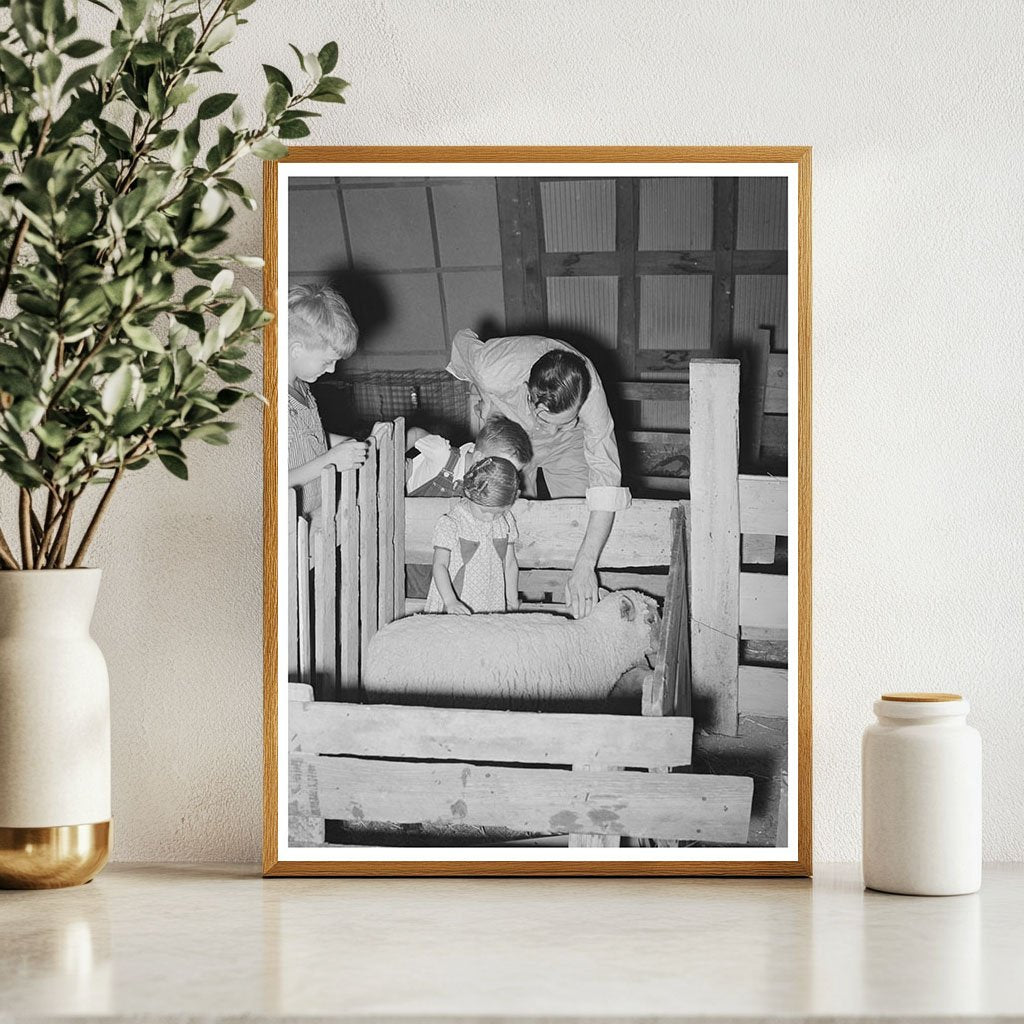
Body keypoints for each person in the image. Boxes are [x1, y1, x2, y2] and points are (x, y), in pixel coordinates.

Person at [446, 328, 629, 619]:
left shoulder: (591, 397)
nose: (555, 427)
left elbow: (605, 478)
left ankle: (571, 592)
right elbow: (462, 340)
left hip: (568, 446)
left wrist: (585, 563)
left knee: (577, 523)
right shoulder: (493, 368)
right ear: (529, 396)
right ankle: (508, 596)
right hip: (512, 433)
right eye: (549, 420)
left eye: (567, 419)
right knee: (504, 516)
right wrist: (482, 393)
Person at [286, 283, 368, 517]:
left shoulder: (302, 388)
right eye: (326, 361)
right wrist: (329, 460)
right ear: (296, 350)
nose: (332, 370)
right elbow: (269, 484)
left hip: (316, 514)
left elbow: (304, 440)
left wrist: (346, 443)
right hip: (292, 526)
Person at [423, 456, 520, 615]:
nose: (490, 519)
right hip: (456, 601)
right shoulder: (452, 523)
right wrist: (450, 601)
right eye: (485, 511)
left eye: (499, 512)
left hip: (490, 601)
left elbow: (509, 563)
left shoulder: (506, 521)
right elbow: (440, 565)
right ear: (468, 492)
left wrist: (512, 601)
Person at [405, 414, 533, 497]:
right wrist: (395, 462)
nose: (508, 478)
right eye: (504, 469)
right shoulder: (442, 454)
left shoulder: (484, 487)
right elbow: (415, 434)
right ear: (479, 459)